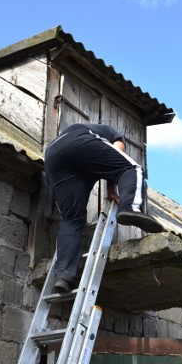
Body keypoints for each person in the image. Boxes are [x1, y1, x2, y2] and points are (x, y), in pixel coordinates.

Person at [44, 123, 164, 293]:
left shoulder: (75, 135)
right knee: (132, 168)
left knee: (72, 219)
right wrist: (113, 190)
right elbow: (118, 155)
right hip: (77, 143)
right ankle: (131, 208)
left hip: (52, 156)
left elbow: (108, 165)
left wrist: (110, 189)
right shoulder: (113, 134)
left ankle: (63, 277)